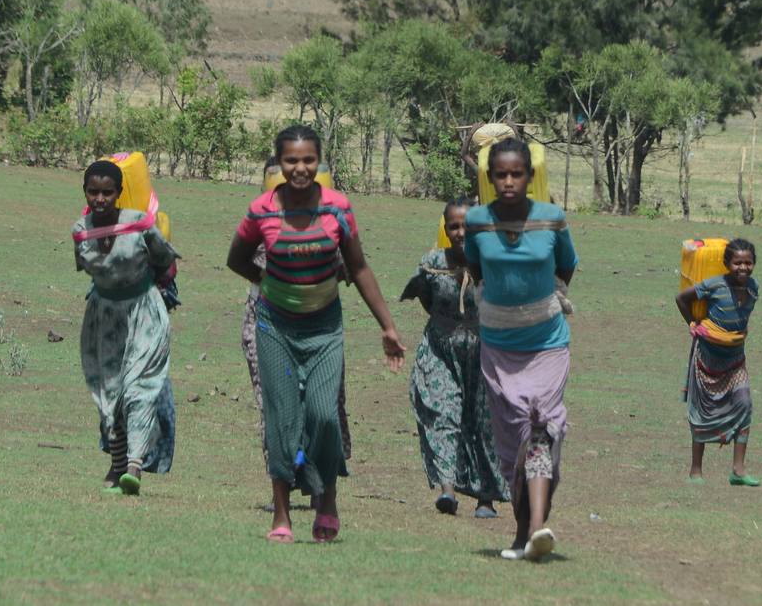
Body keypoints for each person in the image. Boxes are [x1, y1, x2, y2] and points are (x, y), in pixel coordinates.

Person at [227, 125, 405, 543]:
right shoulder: (262, 211)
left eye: (308, 160)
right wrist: (272, 284)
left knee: (325, 415)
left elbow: (358, 268)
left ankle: (327, 500)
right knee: (281, 420)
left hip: (325, 327)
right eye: (291, 160)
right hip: (275, 327)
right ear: (279, 163)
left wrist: (388, 326)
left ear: (320, 162)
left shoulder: (338, 209)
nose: (300, 168)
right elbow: (236, 259)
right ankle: (282, 515)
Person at [466, 136, 577, 562]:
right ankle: (521, 533)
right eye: (500, 175)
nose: (509, 181)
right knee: (512, 442)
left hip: (547, 344)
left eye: (517, 173)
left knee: (541, 428)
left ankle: (537, 529)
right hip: (498, 346)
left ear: (530, 177)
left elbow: (566, 265)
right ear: (490, 178)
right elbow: (476, 267)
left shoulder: (552, 218)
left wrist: (545, 301)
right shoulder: (477, 221)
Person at [242, 153, 352, 478]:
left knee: (321, 405)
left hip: (319, 324)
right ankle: (284, 478)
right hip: (267, 321)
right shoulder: (260, 224)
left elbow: (347, 270)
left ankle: (316, 474)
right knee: (275, 404)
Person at [76, 160, 177, 494]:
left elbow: (164, 260)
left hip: (144, 312)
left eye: (108, 192)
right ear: (85, 193)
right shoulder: (81, 230)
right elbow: (88, 270)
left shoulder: (139, 225)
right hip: (104, 319)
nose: (101, 198)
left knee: (139, 389)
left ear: (120, 193)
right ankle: (118, 465)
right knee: (110, 395)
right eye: (94, 192)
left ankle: (134, 465)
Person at [402, 200, 507, 518]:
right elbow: (425, 298)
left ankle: (486, 497)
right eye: (454, 227)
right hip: (441, 351)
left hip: (484, 353)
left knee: (483, 422)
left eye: (467, 226)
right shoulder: (432, 262)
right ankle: (448, 489)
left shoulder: (493, 264)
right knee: (443, 412)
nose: (461, 233)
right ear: (446, 229)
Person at [676, 238, 759, 485]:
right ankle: (695, 471)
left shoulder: (754, 288)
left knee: (744, 403)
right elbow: (681, 298)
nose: (743, 268)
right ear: (726, 264)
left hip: (735, 359)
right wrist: (693, 323)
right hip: (707, 358)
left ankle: (738, 470)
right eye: (737, 263)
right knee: (703, 411)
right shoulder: (714, 285)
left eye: (748, 263)